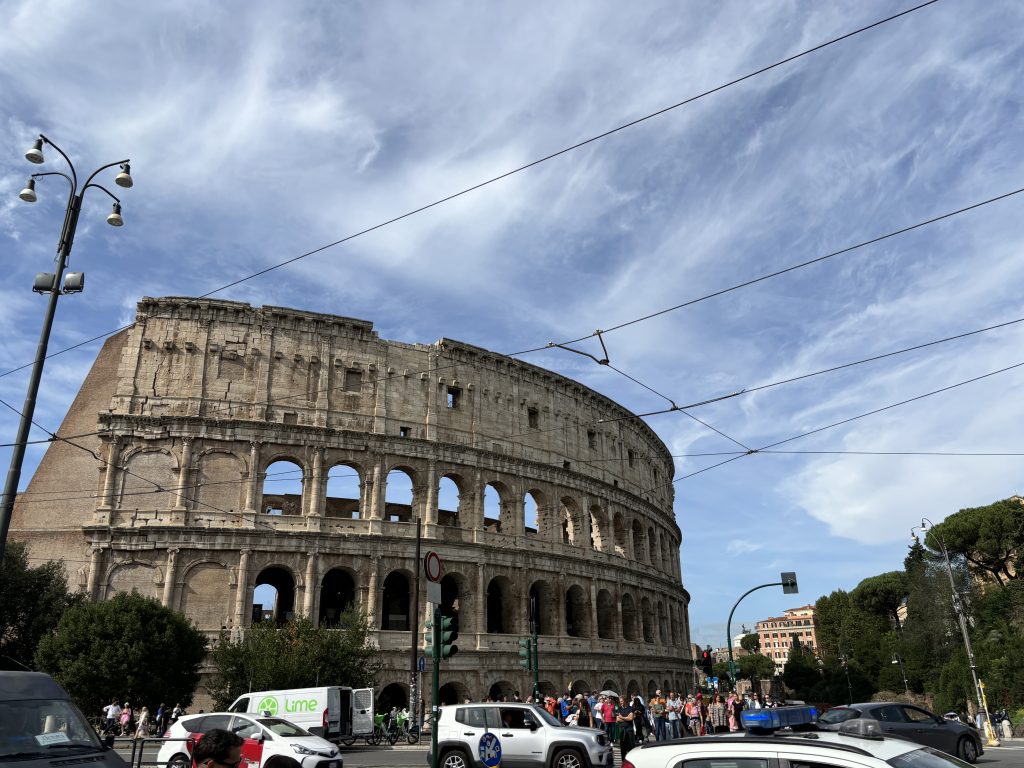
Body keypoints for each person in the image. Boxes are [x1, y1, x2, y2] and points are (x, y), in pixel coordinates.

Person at [614, 697, 635, 762]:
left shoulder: (631, 708)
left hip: (629, 729)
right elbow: (617, 719)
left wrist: (622, 717)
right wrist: (626, 718)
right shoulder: (619, 709)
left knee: (631, 746)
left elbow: (631, 718)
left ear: (625, 701)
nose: (620, 702)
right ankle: (623, 761)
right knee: (622, 747)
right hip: (622, 729)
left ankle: (631, 761)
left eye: (622, 701)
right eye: (620, 701)